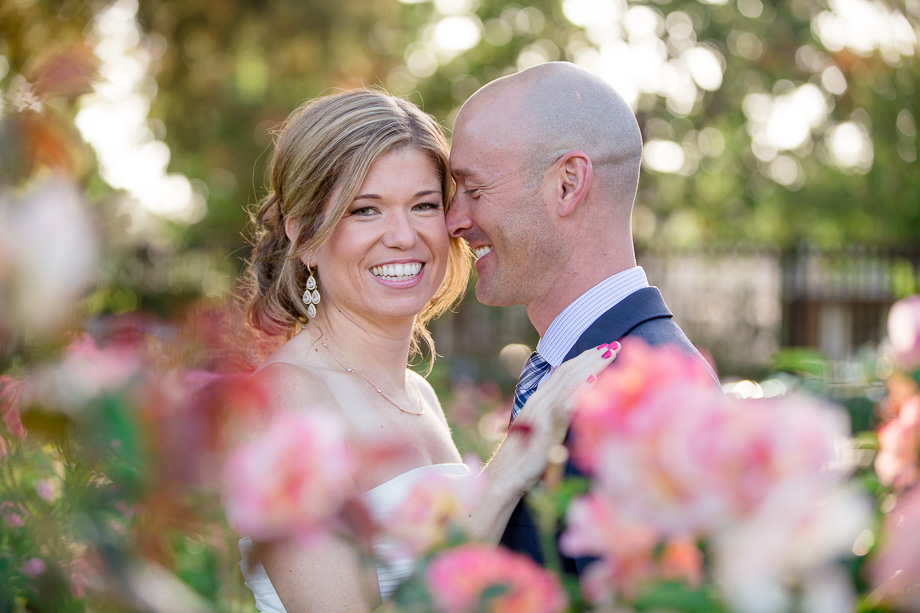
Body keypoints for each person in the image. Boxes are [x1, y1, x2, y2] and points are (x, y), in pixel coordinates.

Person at [234, 89, 621, 612]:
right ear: (304, 234)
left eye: (423, 205)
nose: (403, 235)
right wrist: (509, 466)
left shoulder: (417, 391)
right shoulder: (283, 400)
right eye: (364, 210)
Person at [446, 61, 720, 574]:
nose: (454, 221)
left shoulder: (648, 395)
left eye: (474, 191)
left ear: (567, 184)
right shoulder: (583, 365)